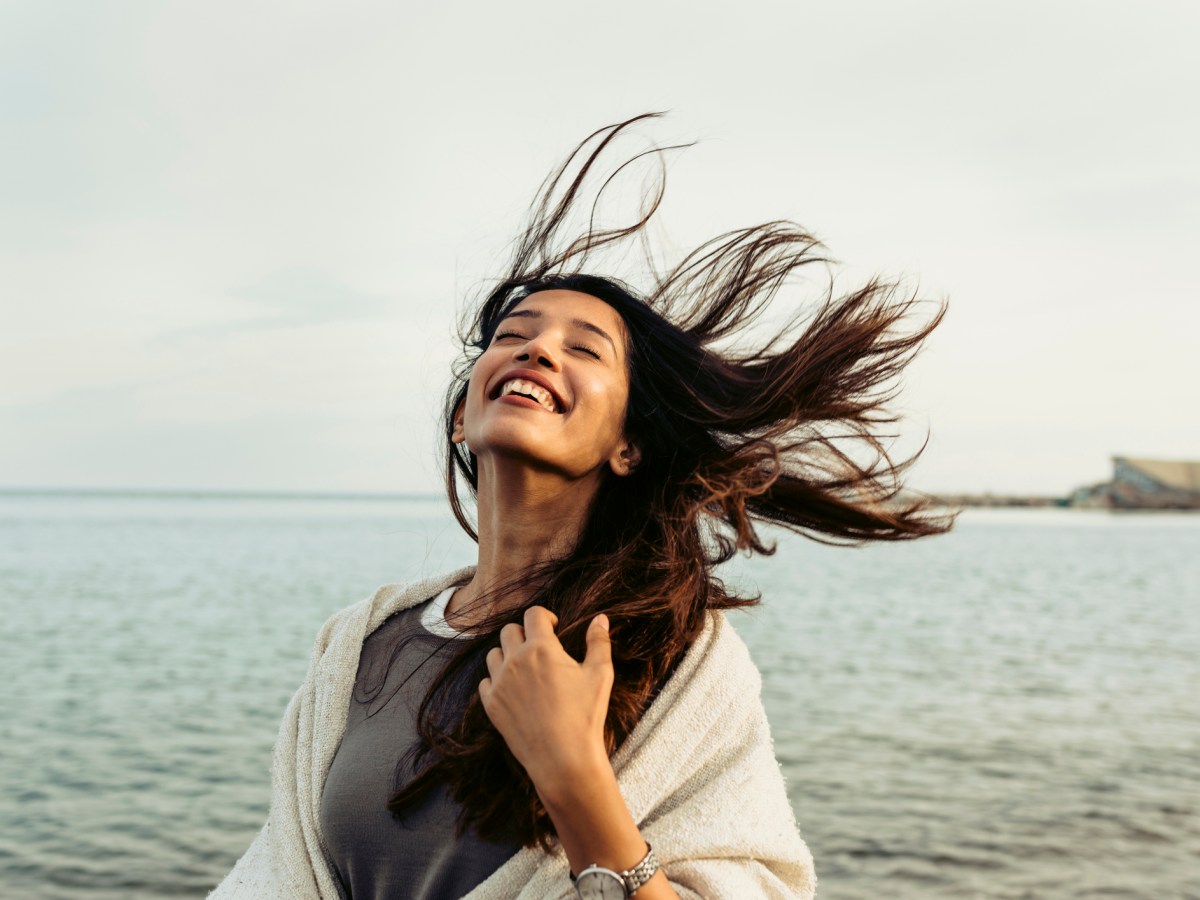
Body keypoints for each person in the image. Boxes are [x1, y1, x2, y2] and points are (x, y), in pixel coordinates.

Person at [208, 113, 954, 900]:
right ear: (463, 415)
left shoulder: (678, 656)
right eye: (515, 334)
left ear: (627, 445)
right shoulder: (362, 644)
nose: (537, 349)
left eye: (584, 348)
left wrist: (573, 777)